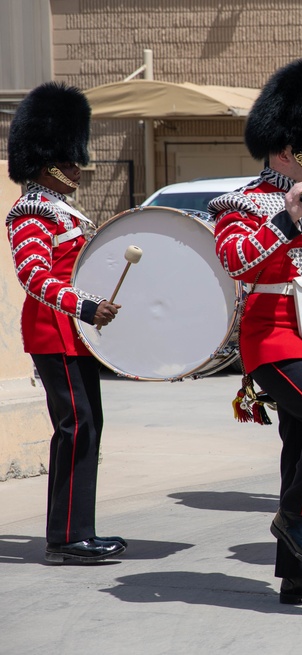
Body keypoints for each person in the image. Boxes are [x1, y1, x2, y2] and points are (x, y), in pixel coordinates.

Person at [211, 56, 302, 606]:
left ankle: (299, 577)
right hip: (272, 338)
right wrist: (285, 218)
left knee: (300, 452)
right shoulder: (244, 202)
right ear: (284, 146)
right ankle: (296, 519)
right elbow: (236, 263)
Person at [5, 82, 126, 564]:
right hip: (53, 327)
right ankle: (67, 537)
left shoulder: (62, 209)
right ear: (46, 162)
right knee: (76, 428)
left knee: (88, 427)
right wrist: (83, 306)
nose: (78, 167)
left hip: (72, 328)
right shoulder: (31, 212)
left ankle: (77, 530)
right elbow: (34, 277)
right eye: (70, 159)